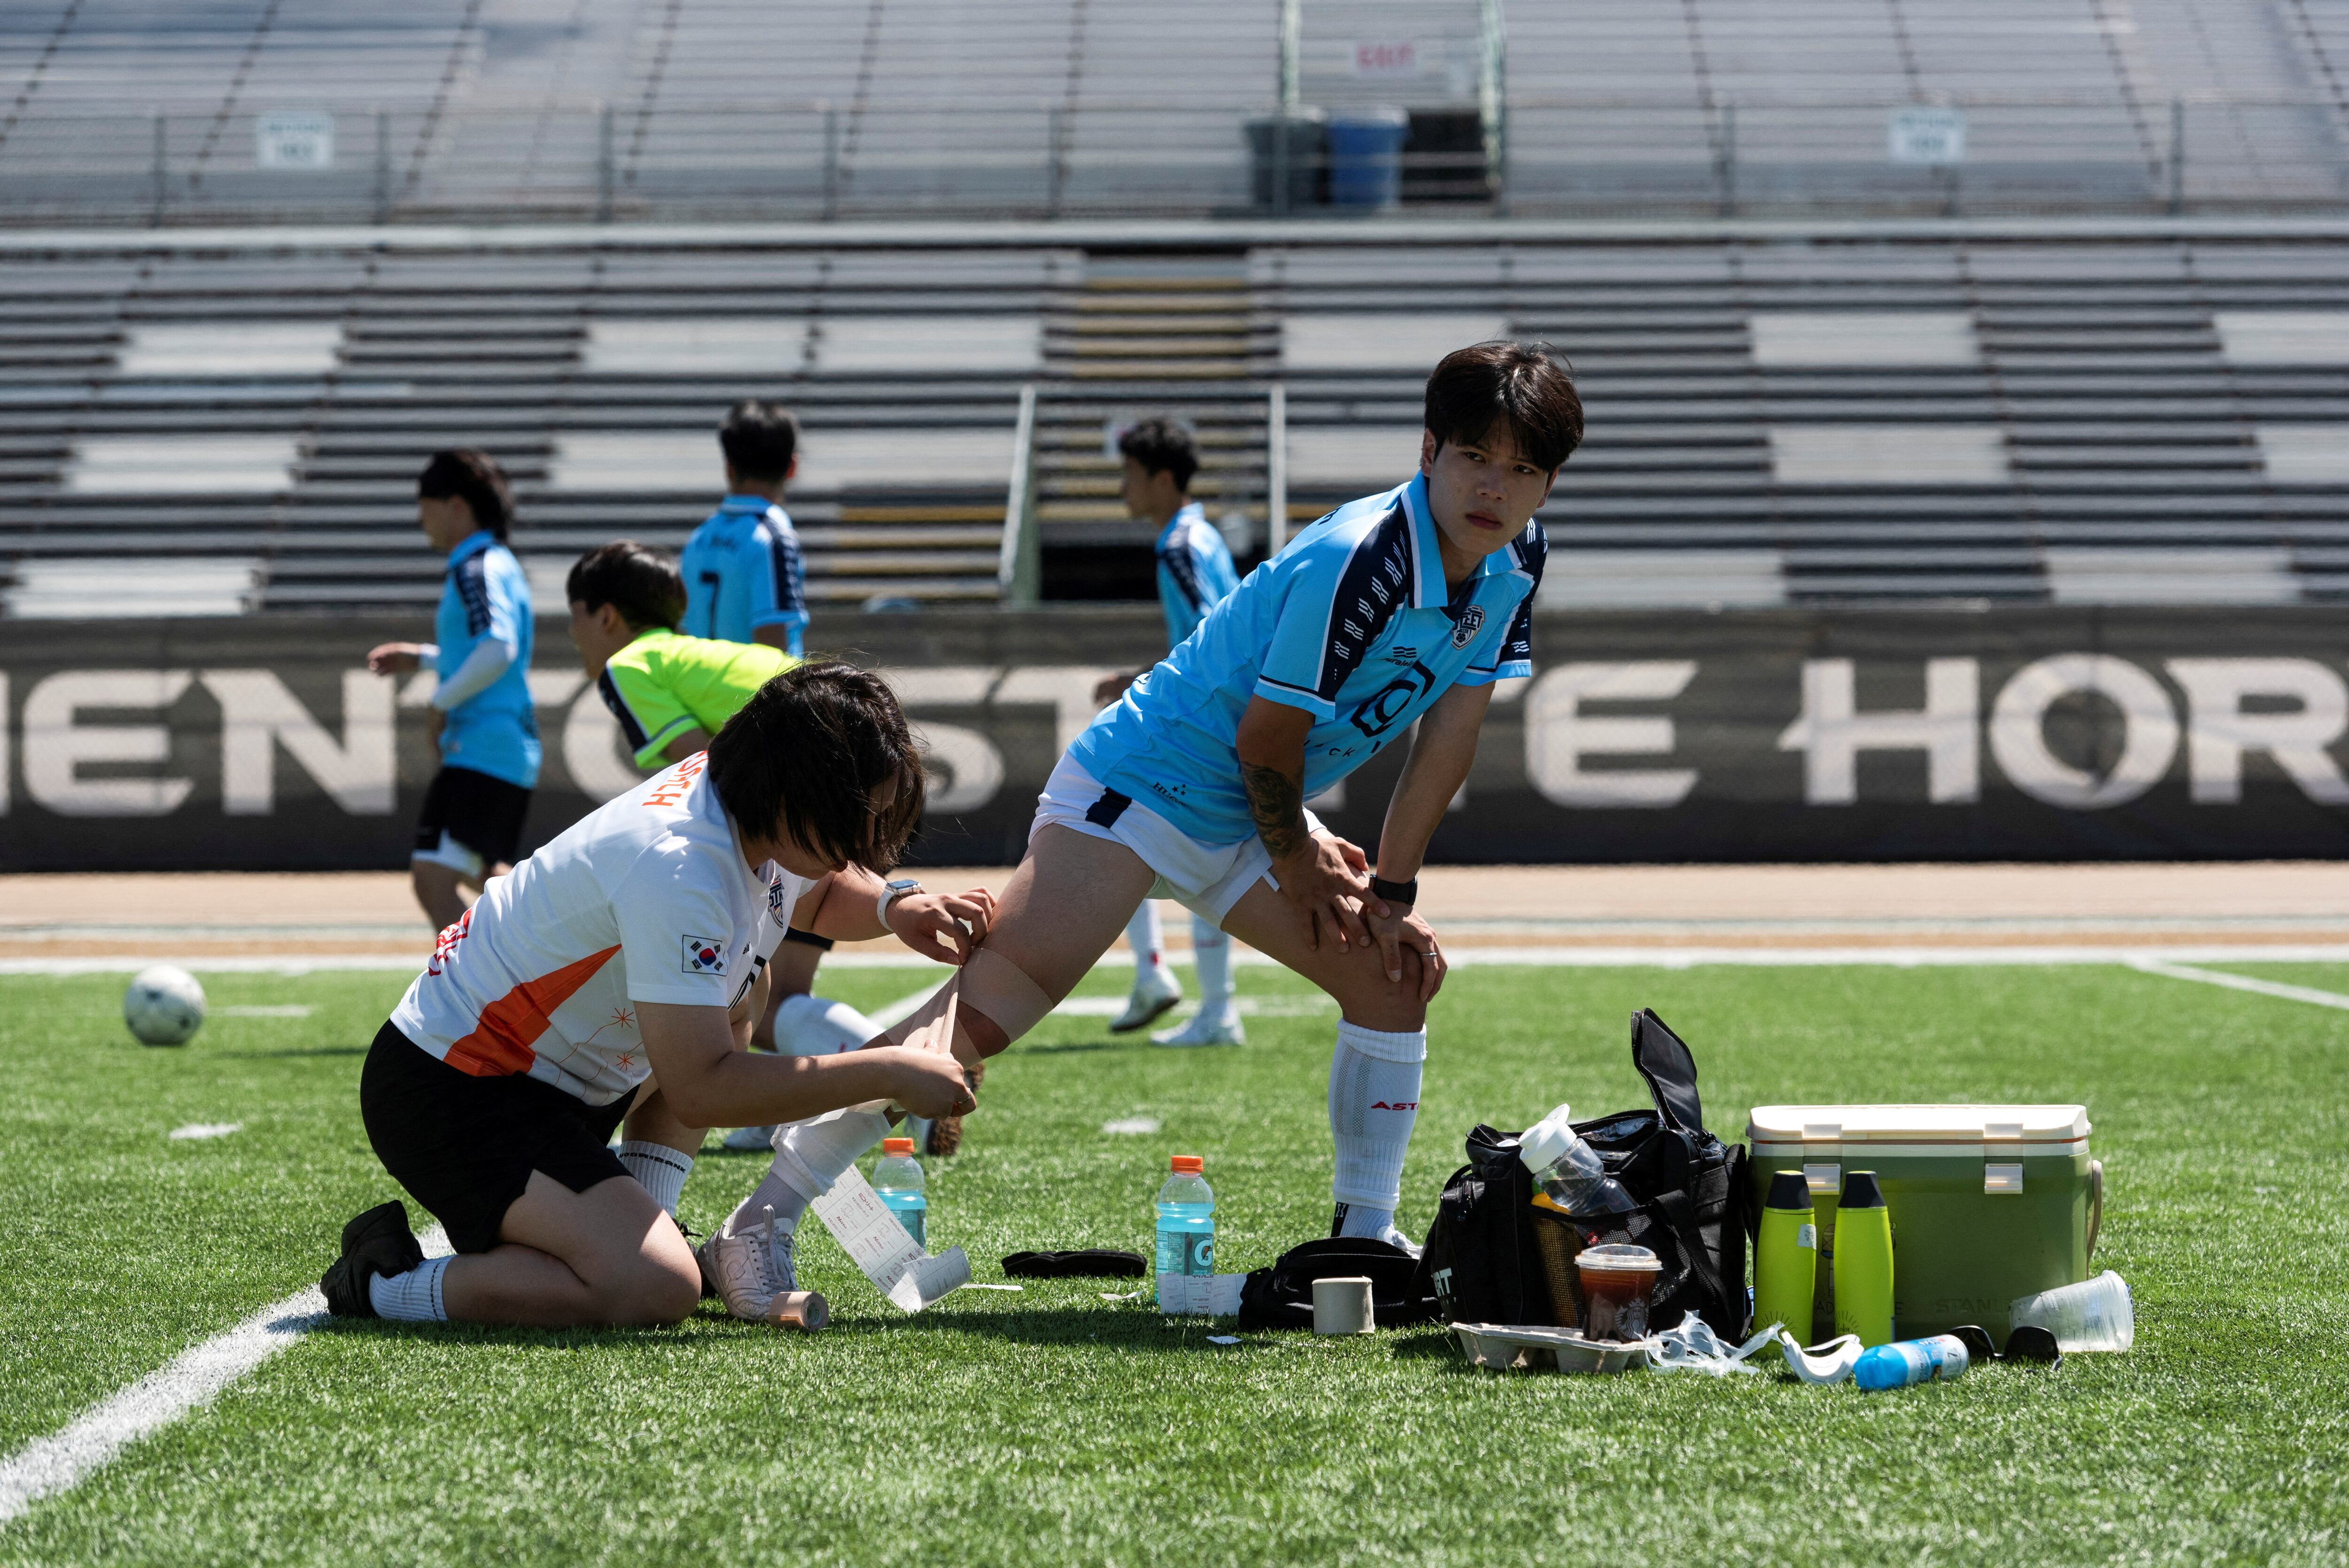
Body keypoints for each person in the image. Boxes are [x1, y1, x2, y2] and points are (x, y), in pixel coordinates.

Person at [742, 340, 1579, 1279]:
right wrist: (1298, 856)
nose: (1494, 489)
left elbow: (1451, 736)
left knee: (1392, 981)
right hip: (1137, 790)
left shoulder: (1519, 557)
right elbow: (1266, 740)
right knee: (970, 1029)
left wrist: (1391, 891)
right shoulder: (1362, 557)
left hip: (1240, 806)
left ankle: (1363, 1238)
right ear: (1428, 450)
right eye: (1475, 457)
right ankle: (760, 1220)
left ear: (1548, 484)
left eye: (1523, 470)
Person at [322, 662, 993, 1329]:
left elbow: (815, 892)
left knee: (737, 990)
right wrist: (885, 1070)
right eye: (859, 817)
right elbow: (704, 1087)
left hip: (552, 1079)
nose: (871, 845)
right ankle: (384, 1281)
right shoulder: (680, 865)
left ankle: (647, 1210)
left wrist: (896, 907)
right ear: (796, 792)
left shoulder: (747, 802)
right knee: (654, 1290)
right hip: (455, 1092)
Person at [565, 538, 968, 1157]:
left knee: (766, 994)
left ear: (605, 616)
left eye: (574, 618)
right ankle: (821, 1092)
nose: (574, 637)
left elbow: (704, 771)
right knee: (755, 982)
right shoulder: (701, 652)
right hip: (872, 773)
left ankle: (896, 1085)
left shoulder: (631, 665)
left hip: (818, 797)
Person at [1090, 417, 1245, 1046]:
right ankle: (1212, 1004)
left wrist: (1148, 682)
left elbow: (1214, 631)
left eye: (1129, 474)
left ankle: (1165, 978)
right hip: (1217, 718)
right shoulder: (1197, 535)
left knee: (1107, 820)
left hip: (1205, 724)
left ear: (1160, 478)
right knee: (1157, 839)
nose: (1123, 487)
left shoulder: (1178, 543)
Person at [366, 451, 539, 931]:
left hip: (480, 745)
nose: (421, 519)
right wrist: (423, 657)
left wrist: (439, 702)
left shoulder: (474, 566)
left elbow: (499, 647)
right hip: (506, 745)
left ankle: (492, 993)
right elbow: (486, 650)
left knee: (433, 879)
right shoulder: (499, 562)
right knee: (490, 876)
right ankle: (524, 981)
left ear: (456, 506)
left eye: (425, 505)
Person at [680, 399, 808, 654]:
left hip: (702, 692)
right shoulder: (773, 539)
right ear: (792, 467)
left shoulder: (699, 538)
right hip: (752, 695)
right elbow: (772, 651)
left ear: (728, 468)